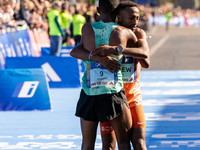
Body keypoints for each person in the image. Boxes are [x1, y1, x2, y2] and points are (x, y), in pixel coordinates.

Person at [70, 1, 150, 150]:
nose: (135, 22)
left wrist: (97, 57)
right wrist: (110, 53)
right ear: (117, 14)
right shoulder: (124, 32)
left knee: (87, 144)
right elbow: (145, 55)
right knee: (123, 142)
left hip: (89, 92)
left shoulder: (87, 28)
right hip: (113, 92)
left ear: (98, 10)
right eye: (132, 18)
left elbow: (74, 51)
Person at [97, 2, 150, 150]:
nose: (135, 22)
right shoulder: (108, 33)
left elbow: (146, 61)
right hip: (111, 98)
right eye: (131, 18)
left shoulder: (138, 33)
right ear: (119, 17)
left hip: (133, 97)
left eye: (137, 18)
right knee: (108, 145)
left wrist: (118, 50)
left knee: (139, 143)